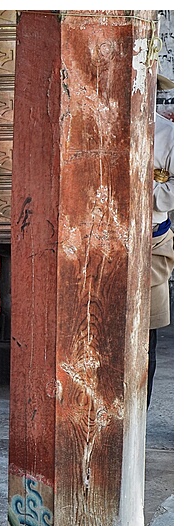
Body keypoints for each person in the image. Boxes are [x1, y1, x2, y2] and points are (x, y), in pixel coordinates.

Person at [148, 75, 174, 407]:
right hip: (107, 244)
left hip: (152, 245)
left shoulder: (168, 135)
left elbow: (171, 193)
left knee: (146, 337)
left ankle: (143, 406)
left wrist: (139, 185)